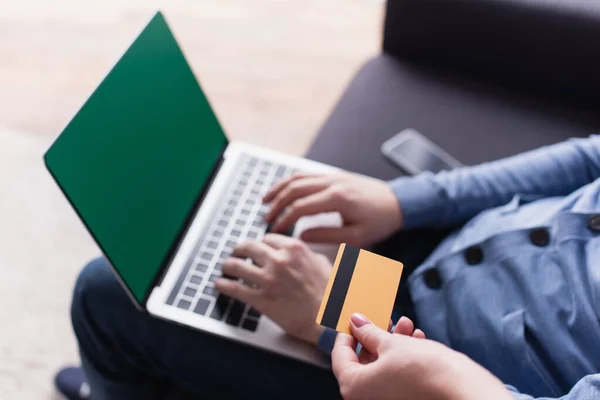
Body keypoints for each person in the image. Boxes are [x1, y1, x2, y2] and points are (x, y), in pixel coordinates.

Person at [55, 136, 600, 399]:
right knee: (246, 216)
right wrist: (406, 201)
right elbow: (588, 159)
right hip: (441, 253)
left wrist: (337, 312)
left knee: (107, 297)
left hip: (436, 358)